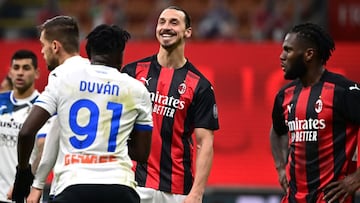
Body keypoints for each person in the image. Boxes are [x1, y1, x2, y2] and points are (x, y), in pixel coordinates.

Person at [14, 22, 153, 203]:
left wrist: (23, 173)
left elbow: (26, 132)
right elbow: (142, 154)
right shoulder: (137, 89)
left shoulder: (63, 79)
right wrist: (107, 142)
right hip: (119, 188)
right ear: (120, 56)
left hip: (73, 185)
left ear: (89, 52)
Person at [121, 6, 219, 203]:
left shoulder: (200, 85)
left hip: (177, 191)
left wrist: (196, 193)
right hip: (133, 183)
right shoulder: (132, 73)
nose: (166, 27)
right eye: (162, 22)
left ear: (187, 32)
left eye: (174, 22)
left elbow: (204, 142)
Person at [270, 22, 360, 203]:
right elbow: (276, 131)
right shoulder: (284, 96)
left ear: (309, 54)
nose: (282, 56)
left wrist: (357, 178)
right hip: (294, 198)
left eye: (288, 50)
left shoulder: (343, 91)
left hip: (332, 198)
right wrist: (281, 168)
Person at [0, 50, 52, 203]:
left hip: (25, 196)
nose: (20, 73)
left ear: (36, 73)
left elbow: (43, 148)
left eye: (26, 68)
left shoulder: (44, 105)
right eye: (16, 68)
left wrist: (24, 182)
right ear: (10, 72)